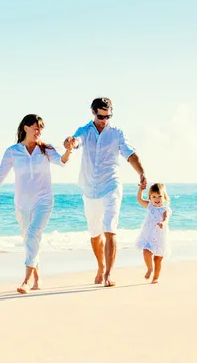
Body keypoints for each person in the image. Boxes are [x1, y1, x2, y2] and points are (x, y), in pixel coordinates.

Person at [0, 114, 72, 294]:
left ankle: (26, 280)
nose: (39, 132)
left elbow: (62, 161)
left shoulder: (45, 149)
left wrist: (69, 150)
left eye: (41, 129)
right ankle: (37, 277)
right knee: (29, 240)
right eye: (36, 128)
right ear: (25, 128)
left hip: (44, 200)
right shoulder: (13, 151)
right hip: (22, 204)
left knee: (34, 234)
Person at [64, 97, 147, 287]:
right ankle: (100, 266)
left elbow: (130, 154)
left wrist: (141, 173)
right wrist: (70, 143)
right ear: (93, 113)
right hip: (89, 188)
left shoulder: (117, 133)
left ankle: (109, 273)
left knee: (110, 228)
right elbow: (76, 141)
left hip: (111, 184)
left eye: (108, 116)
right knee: (95, 233)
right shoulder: (85, 130)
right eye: (101, 116)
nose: (104, 120)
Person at [135, 182, 171, 284]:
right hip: (149, 235)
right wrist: (140, 190)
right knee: (146, 251)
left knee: (158, 259)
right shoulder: (150, 206)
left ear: (165, 197)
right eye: (154, 196)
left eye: (160, 196)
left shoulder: (165, 209)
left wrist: (163, 223)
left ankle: (155, 277)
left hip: (160, 236)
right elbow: (139, 200)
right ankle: (150, 268)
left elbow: (166, 218)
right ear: (150, 198)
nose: (157, 199)